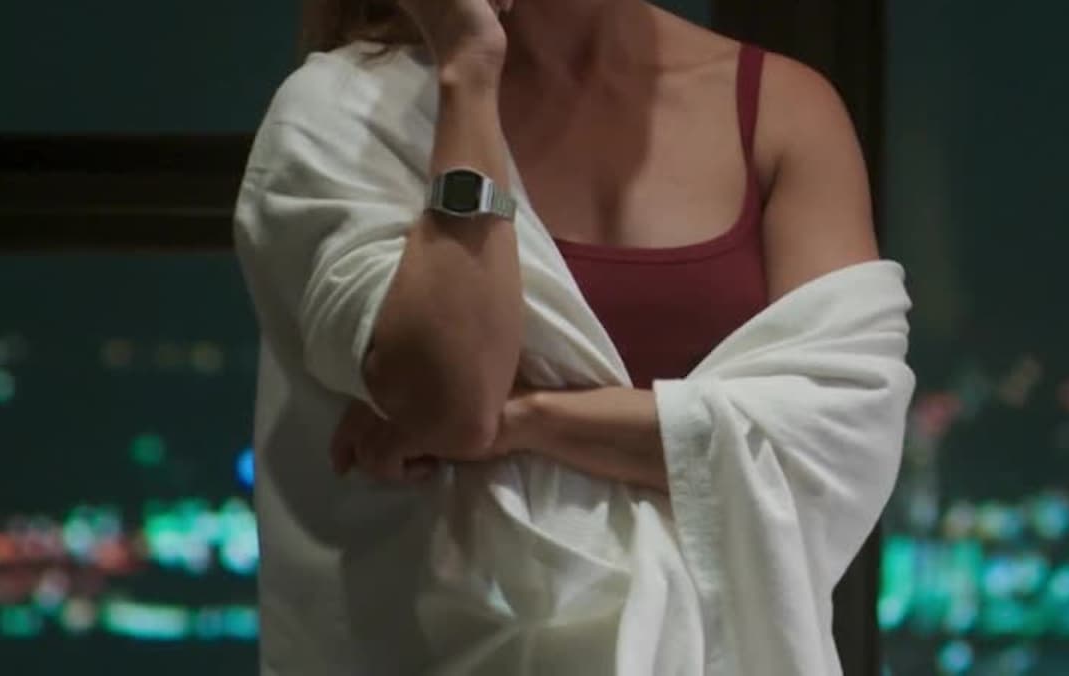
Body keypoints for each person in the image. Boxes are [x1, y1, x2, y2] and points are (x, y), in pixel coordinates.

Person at [232, 0, 905, 672]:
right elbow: (455, 403)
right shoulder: (342, 112)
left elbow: (834, 435)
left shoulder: (782, 110)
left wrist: (528, 419)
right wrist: (469, 72)